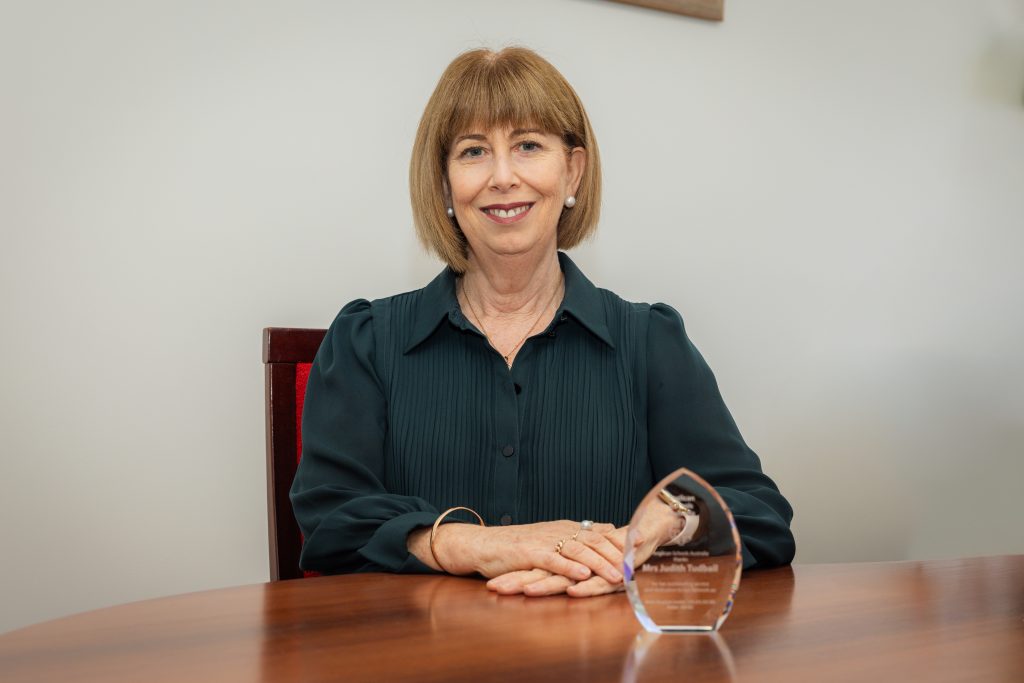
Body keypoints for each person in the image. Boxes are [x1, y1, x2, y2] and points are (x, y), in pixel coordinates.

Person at [290, 46, 795, 598]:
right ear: (444, 184)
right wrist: (476, 545)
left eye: (528, 146)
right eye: (473, 151)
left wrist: (667, 526)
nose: (503, 177)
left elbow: (760, 516)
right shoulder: (365, 342)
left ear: (572, 169)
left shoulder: (651, 342)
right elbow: (332, 522)